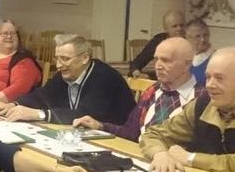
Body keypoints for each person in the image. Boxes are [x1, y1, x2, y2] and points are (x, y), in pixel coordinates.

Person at [74, 37, 205, 141]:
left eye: (166, 60)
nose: (158, 66)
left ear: (187, 64)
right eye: (156, 59)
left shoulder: (202, 98)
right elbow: (131, 133)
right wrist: (100, 126)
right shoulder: (152, 91)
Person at [0, 34, 135, 124]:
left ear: (84, 58)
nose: (58, 65)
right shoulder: (66, 73)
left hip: (118, 140)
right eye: (57, 59)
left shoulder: (105, 78)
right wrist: (14, 105)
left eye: (65, 59)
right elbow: (42, 95)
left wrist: (38, 114)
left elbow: (84, 115)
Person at [130, 10, 185, 78]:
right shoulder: (159, 40)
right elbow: (138, 62)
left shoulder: (192, 40)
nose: (179, 28)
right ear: (166, 29)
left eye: (182, 25)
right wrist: (136, 72)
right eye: (175, 26)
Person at [185, 18, 214, 85]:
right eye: (197, 36)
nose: (202, 39)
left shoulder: (215, 58)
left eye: (205, 35)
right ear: (187, 37)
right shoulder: (183, 57)